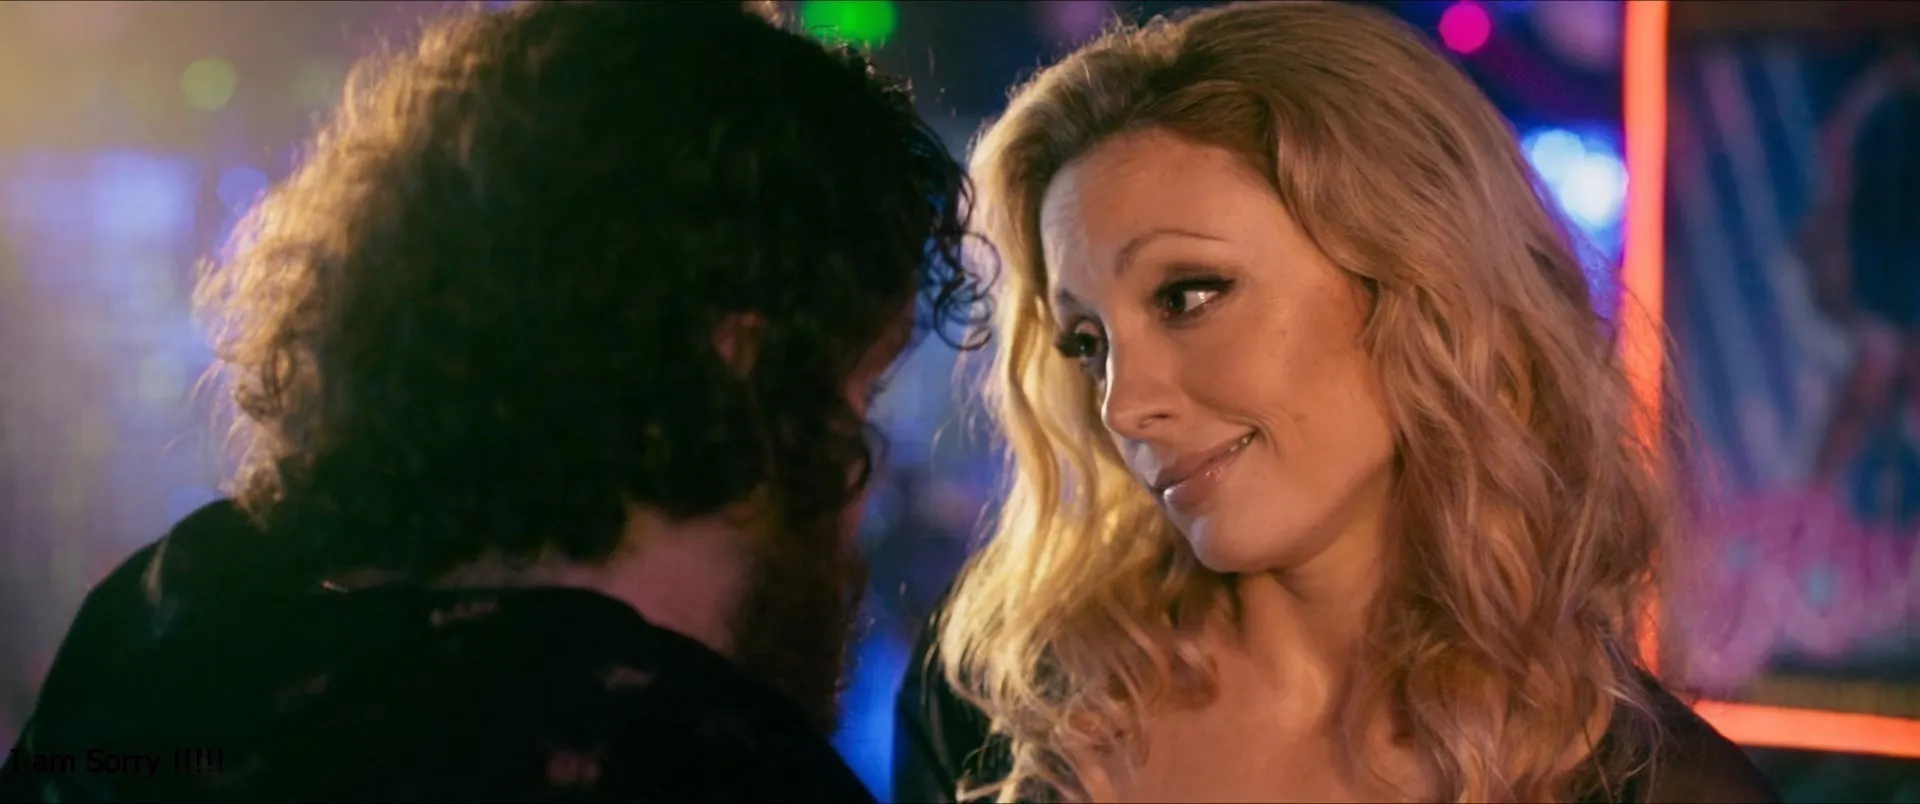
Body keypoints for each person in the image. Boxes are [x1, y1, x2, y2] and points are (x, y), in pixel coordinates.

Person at [0, 1, 986, 801]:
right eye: (859, 390)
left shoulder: (159, 631)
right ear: (740, 368)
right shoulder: (692, 761)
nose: (862, 479)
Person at [894, 3, 1777, 802]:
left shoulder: (1663, 790)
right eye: (1088, 344)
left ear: (1419, 282)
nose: (1123, 409)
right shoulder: (996, 704)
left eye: (1188, 295)